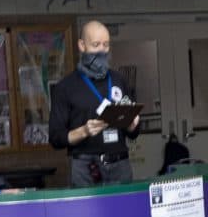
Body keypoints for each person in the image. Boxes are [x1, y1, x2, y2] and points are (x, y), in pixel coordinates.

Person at [49, 20, 141, 187]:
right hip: (85, 168)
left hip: (120, 165)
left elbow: (133, 134)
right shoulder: (65, 87)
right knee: (87, 213)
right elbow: (55, 138)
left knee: (123, 212)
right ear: (82, 45)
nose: (101, 50)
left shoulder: (119, 80)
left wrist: (132, 125)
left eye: (106, 45)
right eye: (96, 44)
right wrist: (84, 131)